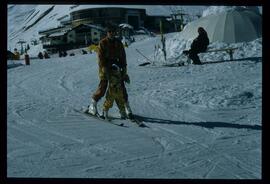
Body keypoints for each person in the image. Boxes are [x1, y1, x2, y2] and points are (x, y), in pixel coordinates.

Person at [88, 25, 133, 118]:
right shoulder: (103, 43)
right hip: (105, 66)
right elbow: (100, 58)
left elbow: (122, 57)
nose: (112, 33)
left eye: (113, 32)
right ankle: (93, 104)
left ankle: (126, 106)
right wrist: (104, 69)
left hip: (116, 67)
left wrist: (124, 69)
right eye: (110, 32)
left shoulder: (118, 43)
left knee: (121, 87)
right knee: (103, 86)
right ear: (107, 33)